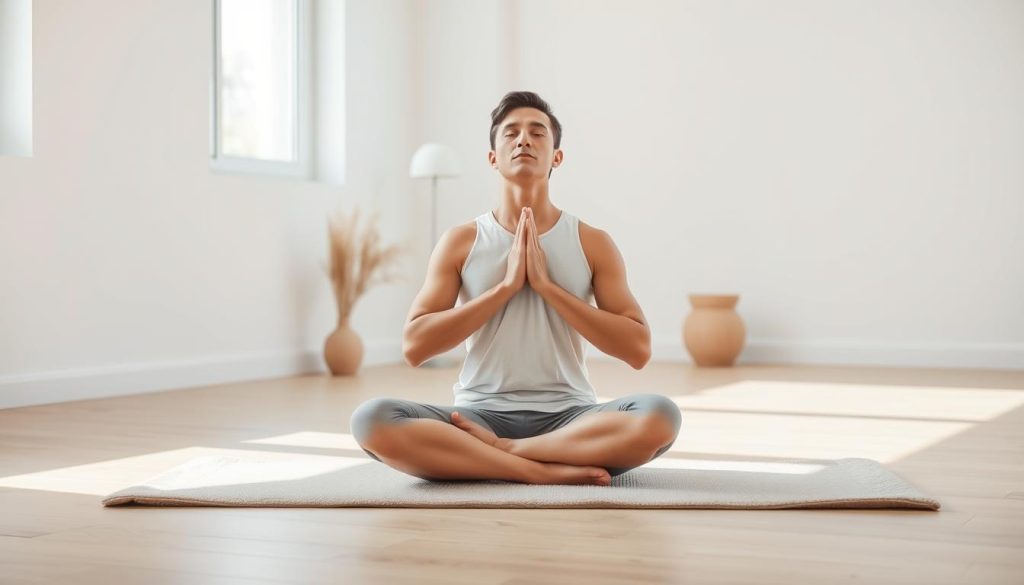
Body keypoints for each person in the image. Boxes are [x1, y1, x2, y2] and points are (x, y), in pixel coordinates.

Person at [350, 91, 681, 486]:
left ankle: (505, 454)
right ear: (493, 157)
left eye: (537, 132)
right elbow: (415, 347)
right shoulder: (461, 240)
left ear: (557, 157)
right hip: (476, 416)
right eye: (511, 133)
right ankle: (536, 472)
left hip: (571, 418)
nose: (523, 139)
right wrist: (505, 288)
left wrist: (547, 286)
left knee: (660, 416)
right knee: (372, 421)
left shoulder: (593, 242)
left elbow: (638, 350)